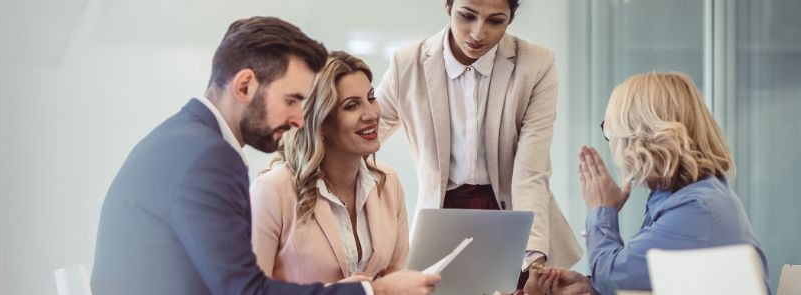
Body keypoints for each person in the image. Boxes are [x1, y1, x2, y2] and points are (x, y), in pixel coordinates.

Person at [91, 16, 440, 295]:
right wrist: (372, 292)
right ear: (244, 86)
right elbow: (245, 291)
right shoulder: (209, 158)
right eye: (291, 100)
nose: (298, 119)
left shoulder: (183, 139)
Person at [374, 0, 581, 286]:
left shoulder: (536, 65)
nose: (477, 33)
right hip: (442, 215)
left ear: (511, 18)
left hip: (512, 215)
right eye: (467, 16)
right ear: (447, 5)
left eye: (495, 21)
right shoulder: (407, 63)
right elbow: (366, 134)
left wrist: (533, 257)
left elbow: (530, 173)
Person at [525, 72, 768, 295]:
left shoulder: (696, 209)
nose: (610, 143)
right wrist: (591, 286)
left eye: (610, 130)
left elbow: (613, 278)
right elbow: (642, 282)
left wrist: (601, 210)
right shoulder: (690, 198)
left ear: (639, 136)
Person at [251, 51, 410, 285]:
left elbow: (397, 280)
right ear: (321, 121)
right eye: (352, 105)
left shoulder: (387, 182)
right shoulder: (272, 191)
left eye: (371, 98)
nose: (371, 114)